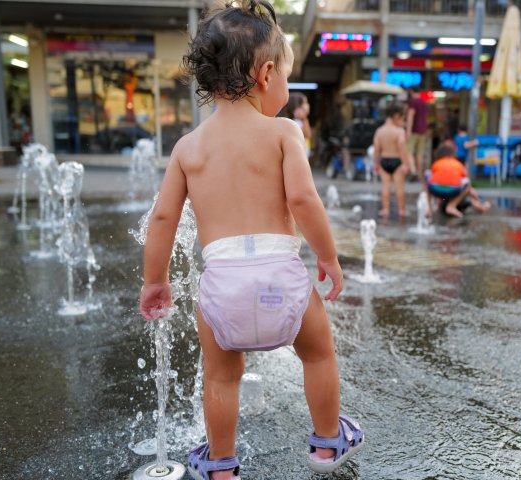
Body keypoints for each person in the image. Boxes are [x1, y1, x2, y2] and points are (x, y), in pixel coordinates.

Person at [139, 3, 363, 479]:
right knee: (318, 353)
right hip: (282, 277)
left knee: (221, 376)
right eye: (285, 74)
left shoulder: (187, 148)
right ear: (266, 75)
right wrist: (328, 257)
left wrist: (154, 281)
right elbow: (304, 200)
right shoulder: (283, 132)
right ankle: (327, 443)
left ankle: (221, 462)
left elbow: (162, 218)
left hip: (222, 285)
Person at [425, 143, 491, 218]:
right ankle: (451, 206)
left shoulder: (437, 163)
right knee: (466, 182)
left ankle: (429, 208)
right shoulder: (458, 164)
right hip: (453, 192)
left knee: (428, 175)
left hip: (435, 189)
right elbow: (468, 186)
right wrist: (480, 200)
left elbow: (438, 181)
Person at [373, 103, 412, 217]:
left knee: (385, 187)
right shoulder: (399, 131)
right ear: (396, 116)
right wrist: (406, 164)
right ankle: (402, 210)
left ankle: (385, 209)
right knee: (399, 188)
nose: (402, 121)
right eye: (401, 117)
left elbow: (376, 149)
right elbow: (402, 148)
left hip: (384, 160)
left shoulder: (379, 131)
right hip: (397, 161)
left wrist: (376, 163)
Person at [405, 86, 429, 178]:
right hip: (423, 130)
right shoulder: (424, 102)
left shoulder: (413, 102)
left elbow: (411, 116)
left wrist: (408, 130)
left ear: (411, 91)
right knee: (420, 153)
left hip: (414, 130)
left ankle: (413, 171)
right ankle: (419, 173)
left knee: (409, 151)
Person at [284, 92, 312, 159]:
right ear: (297, 106)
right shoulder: (296, 123)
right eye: (305, 103)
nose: (307, 105)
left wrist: (304, 118)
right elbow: (307, 134)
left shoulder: (301, 121)